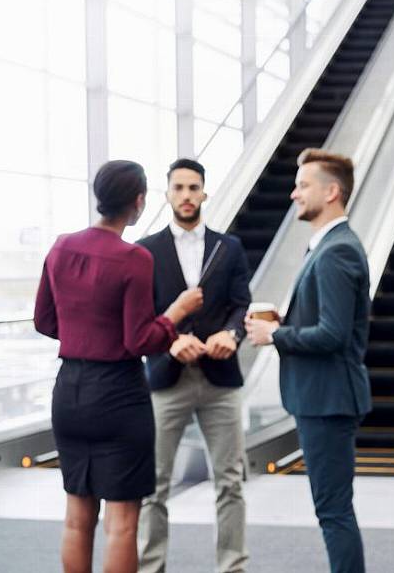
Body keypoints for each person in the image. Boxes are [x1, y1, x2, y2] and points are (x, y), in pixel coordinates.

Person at [34, 160, 204, 573]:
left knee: (77, 517)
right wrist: (175, 314)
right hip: (118, 395)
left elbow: (44, 320)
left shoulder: (61, 246)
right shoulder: (134, 258)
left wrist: (84, 338)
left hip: (69, 391)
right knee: (123, 524)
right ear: (139, 202)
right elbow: (139, 340)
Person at [244, 148, 372, 573]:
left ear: (331, 191)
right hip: (323, 398)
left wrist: (275, 334)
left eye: (303, 186)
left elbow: (333, 335)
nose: (294, 194)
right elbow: (328, 322)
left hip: (328, 400)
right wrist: (288, 320)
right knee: (332, 508)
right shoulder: (327, 246)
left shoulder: (337, 250)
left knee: (333, 511)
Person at [137, 158, 251, 573]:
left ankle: (231, 567)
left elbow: (242, 304)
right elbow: (141, 316)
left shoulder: (229, 246)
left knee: (231, 483)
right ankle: (151, 567)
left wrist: (232, 334)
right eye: (179, 188)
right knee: (153, 486)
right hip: (166, 379)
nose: (186, 195)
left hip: (220, 378)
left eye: (194, 188)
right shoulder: (145, 251)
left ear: (205, 192)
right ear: (167, 194)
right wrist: (170, 339)